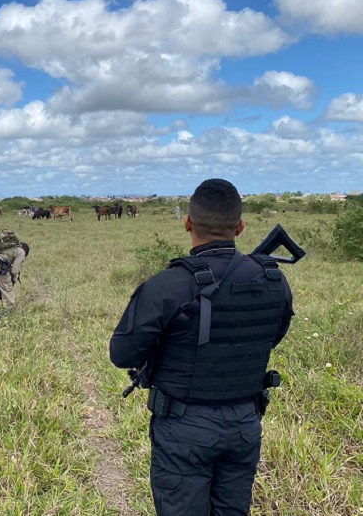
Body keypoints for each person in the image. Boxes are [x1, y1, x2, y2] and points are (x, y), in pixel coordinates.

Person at [109, 178, 293, 515]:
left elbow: (122, 354)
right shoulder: (273, 279)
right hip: (245, 422)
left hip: (184, 425)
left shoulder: (167, 285)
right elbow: (274, 335)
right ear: (240, 227)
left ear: (187, 222)